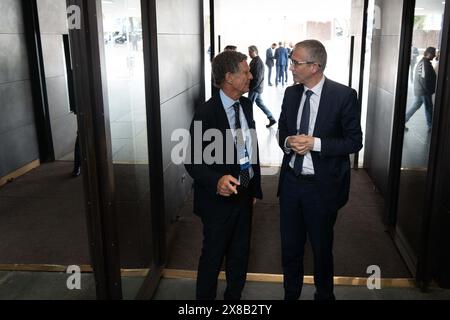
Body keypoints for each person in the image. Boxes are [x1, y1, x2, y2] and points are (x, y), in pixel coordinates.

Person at [277, 40, 363, 300]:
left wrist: (316, 144)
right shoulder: (291, 94)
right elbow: (282, 130)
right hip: (291, 183)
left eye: (296, 62)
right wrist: (288, 141)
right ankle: (290, 294)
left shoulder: (343, 95)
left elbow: (354, 141)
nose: (290, 67)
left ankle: (324, 295)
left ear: (315, 67)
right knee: (290, 247)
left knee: (321, 249)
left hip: (322, 187)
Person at [184, 50, 263, 300]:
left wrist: (253, 188)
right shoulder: (206, 113)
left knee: (240, 256)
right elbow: (192, 161)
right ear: (229, 77)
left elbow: (249, 149)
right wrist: (216, 180)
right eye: (246, 71)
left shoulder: (247, 105)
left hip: (244, 193)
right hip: (217, 201)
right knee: (213, 258)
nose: (251, 76)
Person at [405, 46, 437, 132]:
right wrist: (429, 91)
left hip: (420, 90)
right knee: (429, 108)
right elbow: (424, 79)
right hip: (424, 91)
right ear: (429, 53)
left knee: (415, 106)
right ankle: (430, 126)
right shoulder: (425, 64)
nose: (434, 55)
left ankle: (402, 121)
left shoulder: (423, 62)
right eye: (433, 53)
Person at [248, 45, 277, 128]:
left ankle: (249, 123)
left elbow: (257, 78)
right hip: (257, 88)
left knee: (248, 106)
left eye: (250, 52)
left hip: (255, 88)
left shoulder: (258, 62)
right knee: (260, 103)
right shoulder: (254, 60)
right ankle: (271, 118)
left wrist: (250, 88)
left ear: (255, 52)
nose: (249, 53)